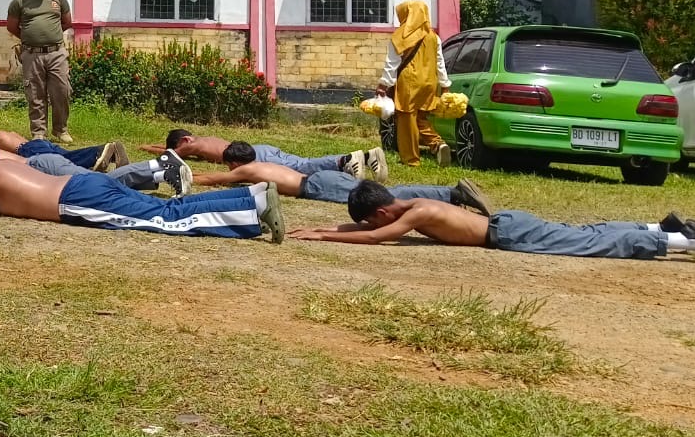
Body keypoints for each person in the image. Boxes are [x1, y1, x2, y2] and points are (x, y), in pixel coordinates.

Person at [0, 134, 283, 241]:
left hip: (77, 198)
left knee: (162, 218)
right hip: (83, 181)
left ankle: (252, 209)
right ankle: (249, 197)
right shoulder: (4, 164)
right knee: (163, 210)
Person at [292, 181, 695, 259]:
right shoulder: (407, 201)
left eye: (370, 220)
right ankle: (657, 228)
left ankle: (678, 242)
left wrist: (326, 239)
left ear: (381, 212)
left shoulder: (418, 213)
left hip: (507, 233)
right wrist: (323, 228)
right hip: (507, 224)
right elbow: (371, 228)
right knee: (581, 233)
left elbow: (375, 238)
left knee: (586, 244)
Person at [182, 140, 493, 212]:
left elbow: (214, 181)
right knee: (392, 192)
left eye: (228, 165)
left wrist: (188, 177)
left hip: (316, 185)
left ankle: (454, 195)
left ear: (236, 162)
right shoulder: (259, 164)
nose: (228, 171)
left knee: (388, 198)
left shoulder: (247, 170)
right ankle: (451, 194)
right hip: (319, 181)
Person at [0, 131, 178, 194]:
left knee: (101, 182)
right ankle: (160, 174)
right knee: (104, 184)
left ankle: (159, 164)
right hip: (44, 164)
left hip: (43, 166)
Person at [379, 0, 452, 168]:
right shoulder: (434, 36)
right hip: (429, 82)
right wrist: (445, 85)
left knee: (406, 119)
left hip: (409, 82)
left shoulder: (400, 36)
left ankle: (411, 159)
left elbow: (392, 63)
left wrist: (384, 84)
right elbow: (440, 62)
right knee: (421, 117)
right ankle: (437, 144)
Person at [154, 129, 387, 182]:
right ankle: (366, 157)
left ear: (185, 141)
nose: (176, 154)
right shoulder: (204, 140)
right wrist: (148, 147)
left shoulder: (193, 147)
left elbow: (172, 154)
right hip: (259, 149)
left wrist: (164, 154)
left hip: (256, 156)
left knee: (302, 168)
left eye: (177, 149)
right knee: (299, 165)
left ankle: (344, 160)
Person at [6, 0, 73, 143]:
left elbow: (67, 22)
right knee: (35, 94)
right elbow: (12, 27)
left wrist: (50, 35)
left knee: (62, 91)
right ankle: (38, 133)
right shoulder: (19, 1)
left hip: (56, 53)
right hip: (31, 54)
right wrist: (30, 39)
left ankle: (61, 130)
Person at [0, 126, 127, 173]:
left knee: (67, 160)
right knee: (67, 157)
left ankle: (100, 151)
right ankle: (108, 154)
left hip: (28, 149)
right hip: (38, 144)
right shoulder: (11, 133)